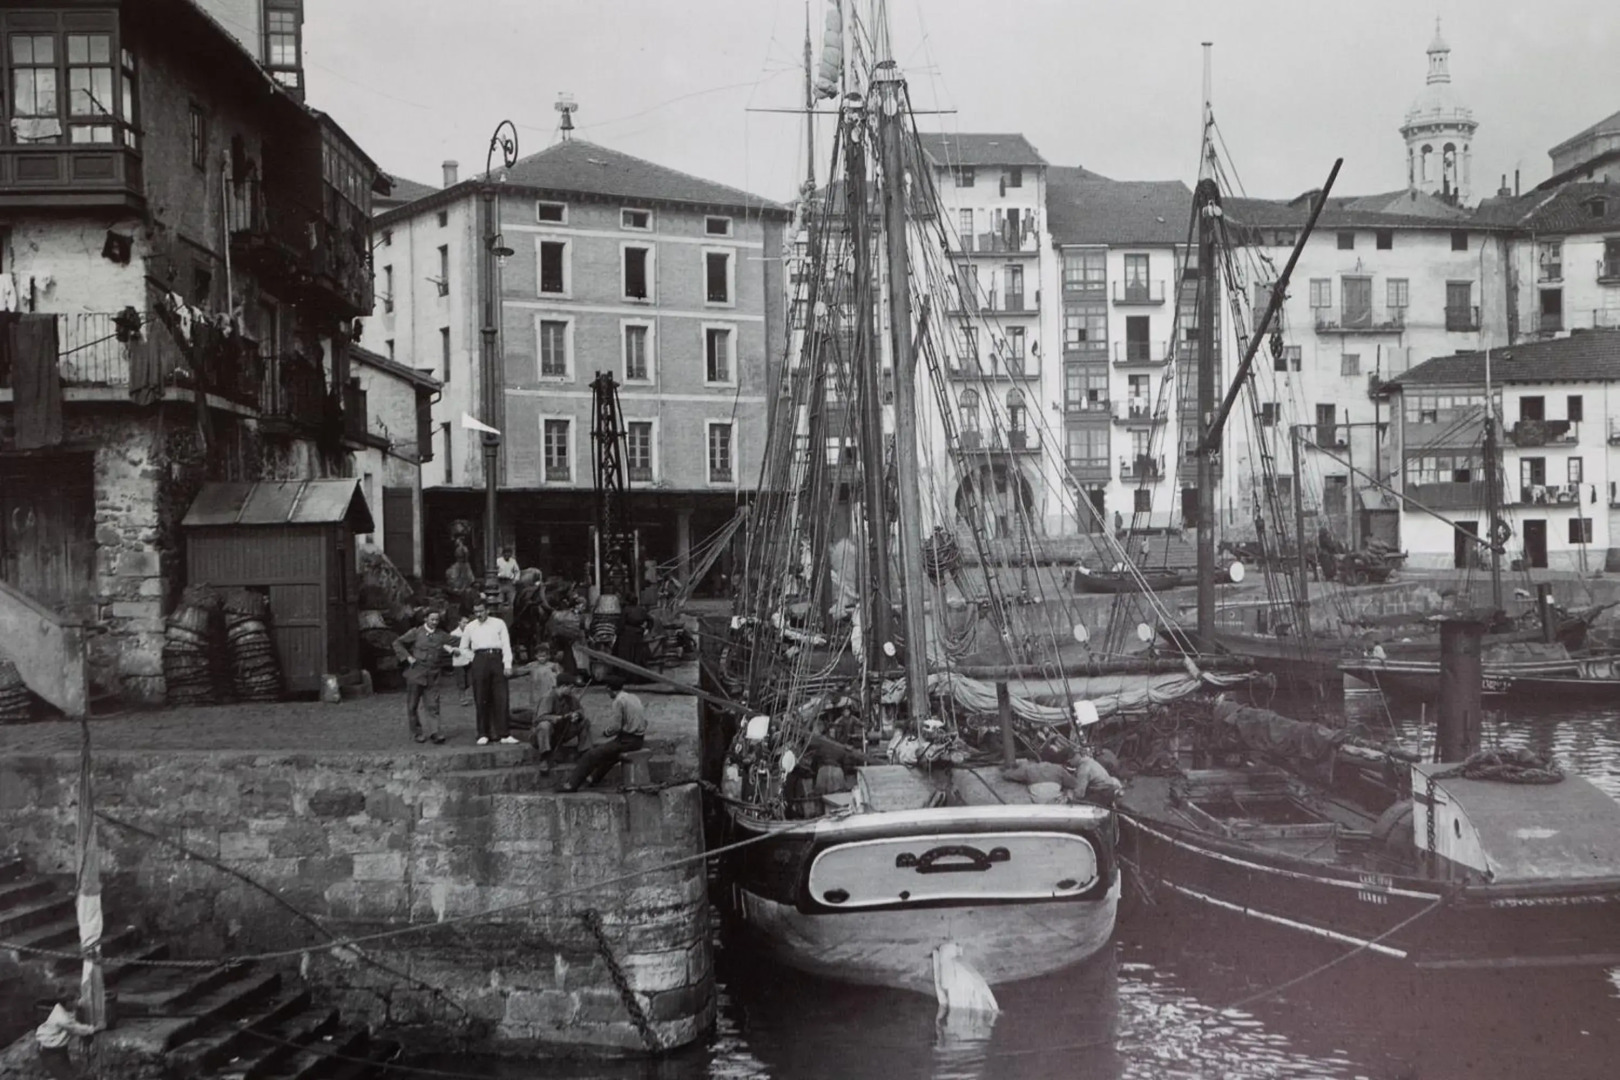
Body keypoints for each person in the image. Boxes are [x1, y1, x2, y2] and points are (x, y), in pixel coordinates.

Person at [561, 674, 646, 791]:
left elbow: (616, 727)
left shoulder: (618, 701)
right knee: (610, 756)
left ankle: (571, 785)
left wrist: (605, 733)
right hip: (639, 739)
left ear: (609, 689)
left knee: (591, 755)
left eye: (607, 690)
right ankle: (592, 779)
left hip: (628, 740)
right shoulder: (633, 697)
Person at [462, 597, 517, 745]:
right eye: (476, 612)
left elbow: (506, 644)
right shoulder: (470, 627)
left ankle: (504, 733)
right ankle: (482, 733)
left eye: (481, 611)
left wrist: (507, 664)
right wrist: (474, 659)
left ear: (487, 610)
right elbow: (463, 647)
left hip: (496, 658)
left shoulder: (498, 623)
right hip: (479, 658)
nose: (479, 614)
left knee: (501, 697)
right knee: (481, 697)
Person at [392, 609, 451, 744]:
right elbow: (397, 643)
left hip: (433, 675)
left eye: (437, 620)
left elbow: (456, 641)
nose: (435, 622)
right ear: (425, 619)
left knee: (433, 704)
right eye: (432, 620)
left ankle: (435, 732)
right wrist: (407, 657)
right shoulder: (416, 633)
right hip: (416, 674)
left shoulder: (441, 635)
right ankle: (416, 732)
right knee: (412, 705)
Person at [35, 1001, 97, 1080]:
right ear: (68, 1003)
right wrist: (94, 1029)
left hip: (58, 1049)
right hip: (50, 1051)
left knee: (66, 1072)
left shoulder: (62, 1008)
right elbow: (76, 1028)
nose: (77, 1002)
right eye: (75, 1000)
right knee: (66, 1076)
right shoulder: (62, 1018)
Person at [448, 615, 474, 705]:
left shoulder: (470, 632)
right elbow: (447, 645)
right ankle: (462, 697)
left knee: (469, 679)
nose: (466, 624)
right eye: (464, 622)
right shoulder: (454, 633)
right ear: (459, 622)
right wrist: (452, 650)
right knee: (461, 680)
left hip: (469, 658)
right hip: (459, 660)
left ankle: (467, 695)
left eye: (467, 622)